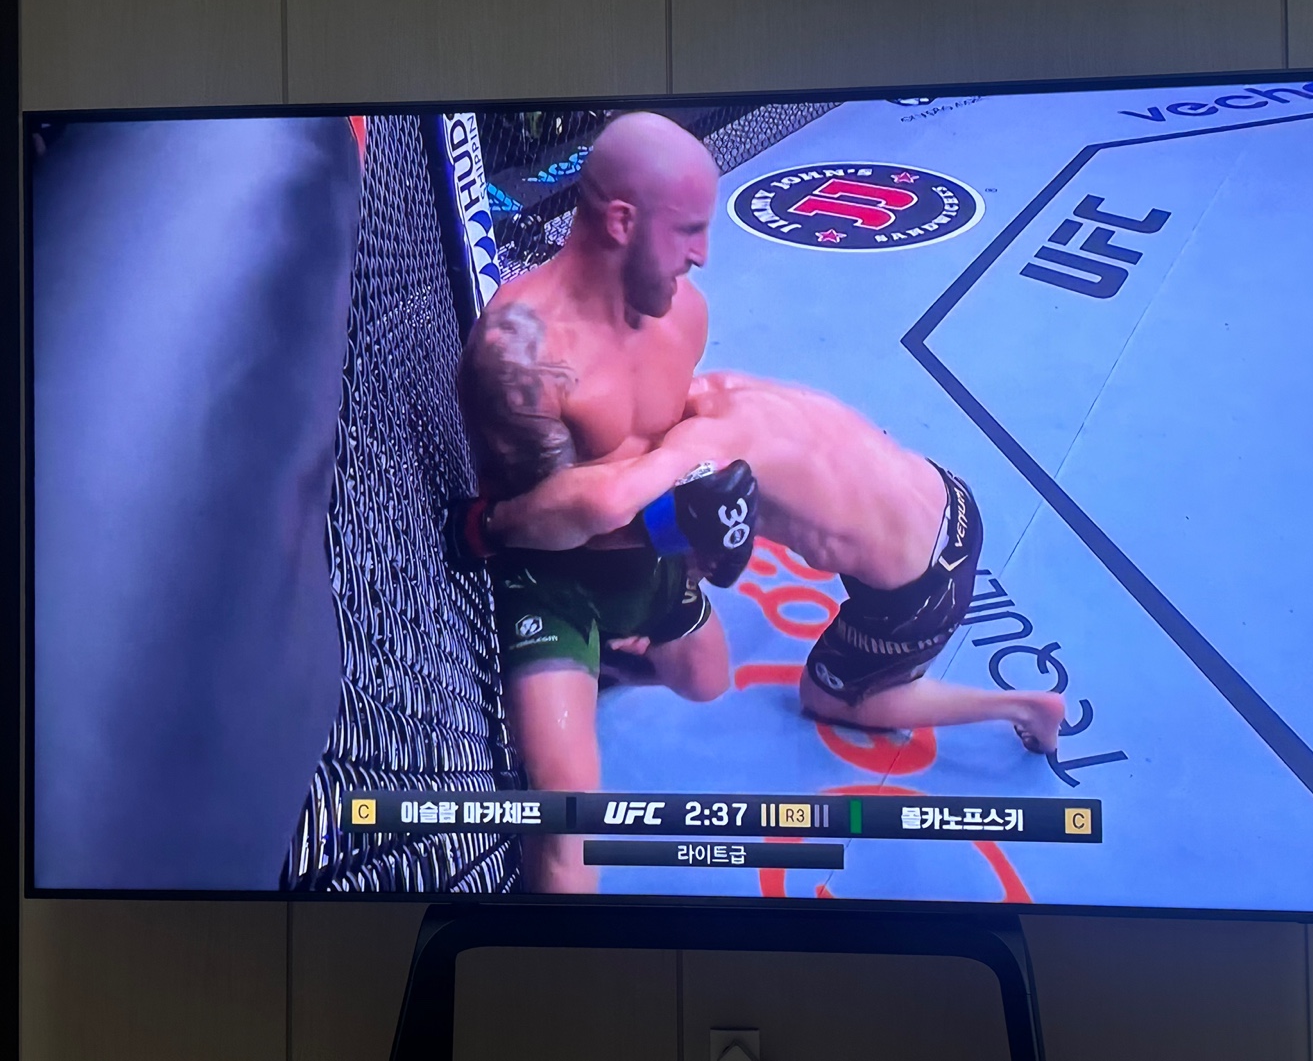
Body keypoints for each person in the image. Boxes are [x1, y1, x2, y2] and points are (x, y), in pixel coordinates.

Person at [445, 112, 757, 895]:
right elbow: (538, 521)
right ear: (621, 221)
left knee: (708, 679)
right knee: (566, 822)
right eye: (688, 230)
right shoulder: (519, 353)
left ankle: (605, 664)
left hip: (647, 559)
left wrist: (699, 524)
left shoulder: (685, 313)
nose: (702, 254)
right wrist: (679, 494)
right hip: (551, 579)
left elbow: (677, 432)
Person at [474, 371, 1067, 754]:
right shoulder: (716, 388)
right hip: (948, 494)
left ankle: (1022, 706)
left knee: (828, 696)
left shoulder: (698, 456)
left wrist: (494, 527)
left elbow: (609, 510)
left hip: (924, 586)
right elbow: (722, 527)